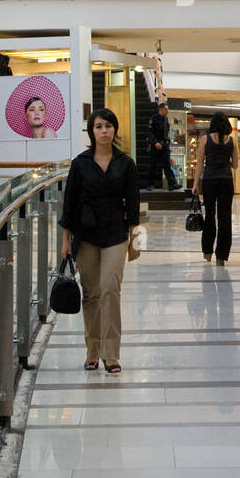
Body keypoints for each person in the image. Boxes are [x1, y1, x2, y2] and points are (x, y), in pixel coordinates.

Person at [59, 108, 141, 374]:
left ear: (114, 130)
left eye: (108, 125)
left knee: (110, 291)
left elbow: (134, 203)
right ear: (92, 131)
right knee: (92, 294)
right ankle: (92, 350)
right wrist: (65, 240)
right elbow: (68, 204)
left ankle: (111, 353)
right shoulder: (80, 163)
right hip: (86, 236)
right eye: (98, 126)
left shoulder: (125, 163)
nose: (104, 130)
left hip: (116, 234)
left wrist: (135, 241)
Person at [193, 111, 237, 264]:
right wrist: (225, 162)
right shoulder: (232, 141)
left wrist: (194, 184)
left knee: (210, 215)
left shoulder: (205, 140)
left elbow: (199, 163)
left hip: (210, 180)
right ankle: (221, 256)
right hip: (226, 180)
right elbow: (236, 165)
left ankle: (207, 252)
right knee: (225, 218)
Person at [147, 101, 180, 190]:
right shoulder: (153, 119)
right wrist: (155, 142)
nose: (167, 111)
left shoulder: (166, 119)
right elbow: (150, 133)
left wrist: (167, 141)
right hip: (155, 145)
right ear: (160, 110)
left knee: (167, 165)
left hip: (164, 144)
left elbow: (166, 131)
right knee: (152, 165)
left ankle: (172, 184)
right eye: (166, 109)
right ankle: (150, 184)